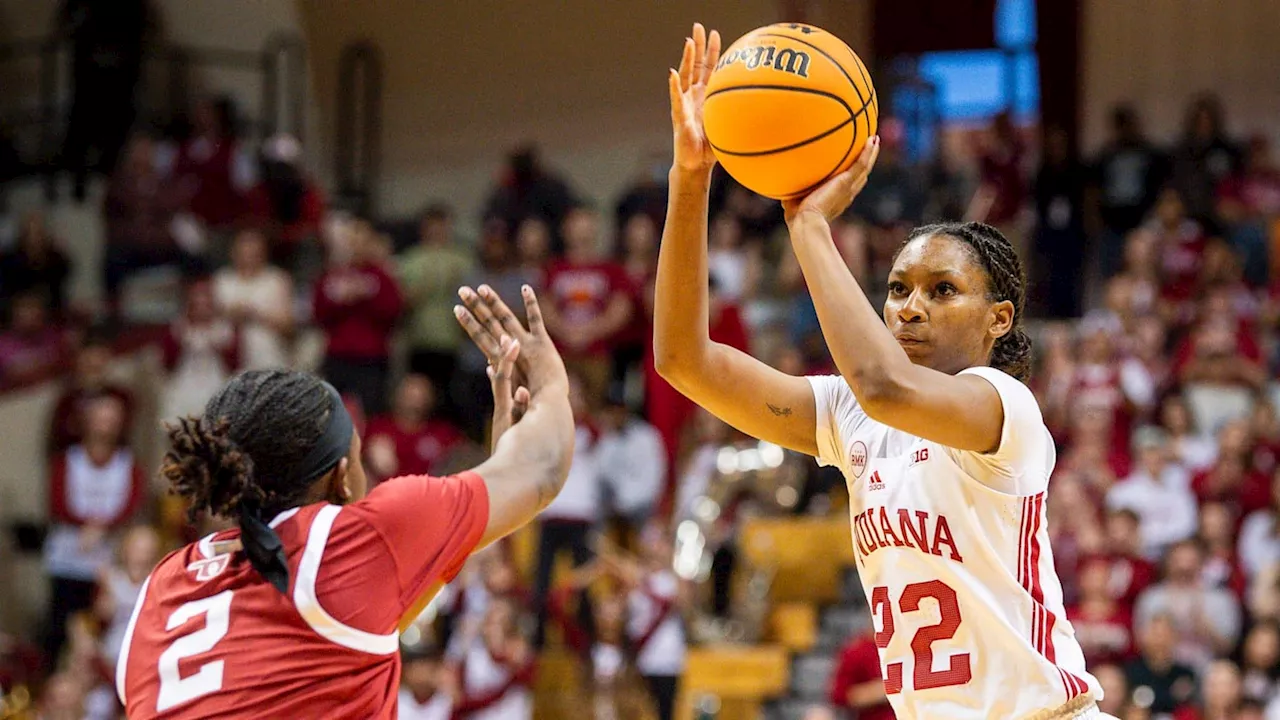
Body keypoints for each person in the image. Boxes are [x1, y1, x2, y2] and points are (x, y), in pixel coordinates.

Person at [654, 24, 1104, 719]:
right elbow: (685, 359)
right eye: (897, 289)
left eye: (942, 290)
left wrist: (808, 228)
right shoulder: (852, 414)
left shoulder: (1003, 410)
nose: (911, 307)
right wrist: (691, 178)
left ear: (1000, 319)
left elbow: (884, 385)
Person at [116, 285, 575, 718]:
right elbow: (544, 466)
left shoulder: (164, 585)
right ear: (341, 477)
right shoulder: (351, 543)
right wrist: (551, 378)